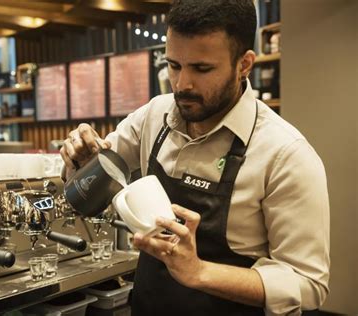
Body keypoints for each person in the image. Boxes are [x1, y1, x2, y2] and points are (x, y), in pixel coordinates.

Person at [60, 0, 330, 315]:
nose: (182, 84)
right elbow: (92, 178)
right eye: (174, 65)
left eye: (202, 69)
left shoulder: (285, 154)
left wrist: (199, 271)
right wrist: (79, 160)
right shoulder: (154, 116)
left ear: (244, 64)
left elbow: (308, 283)